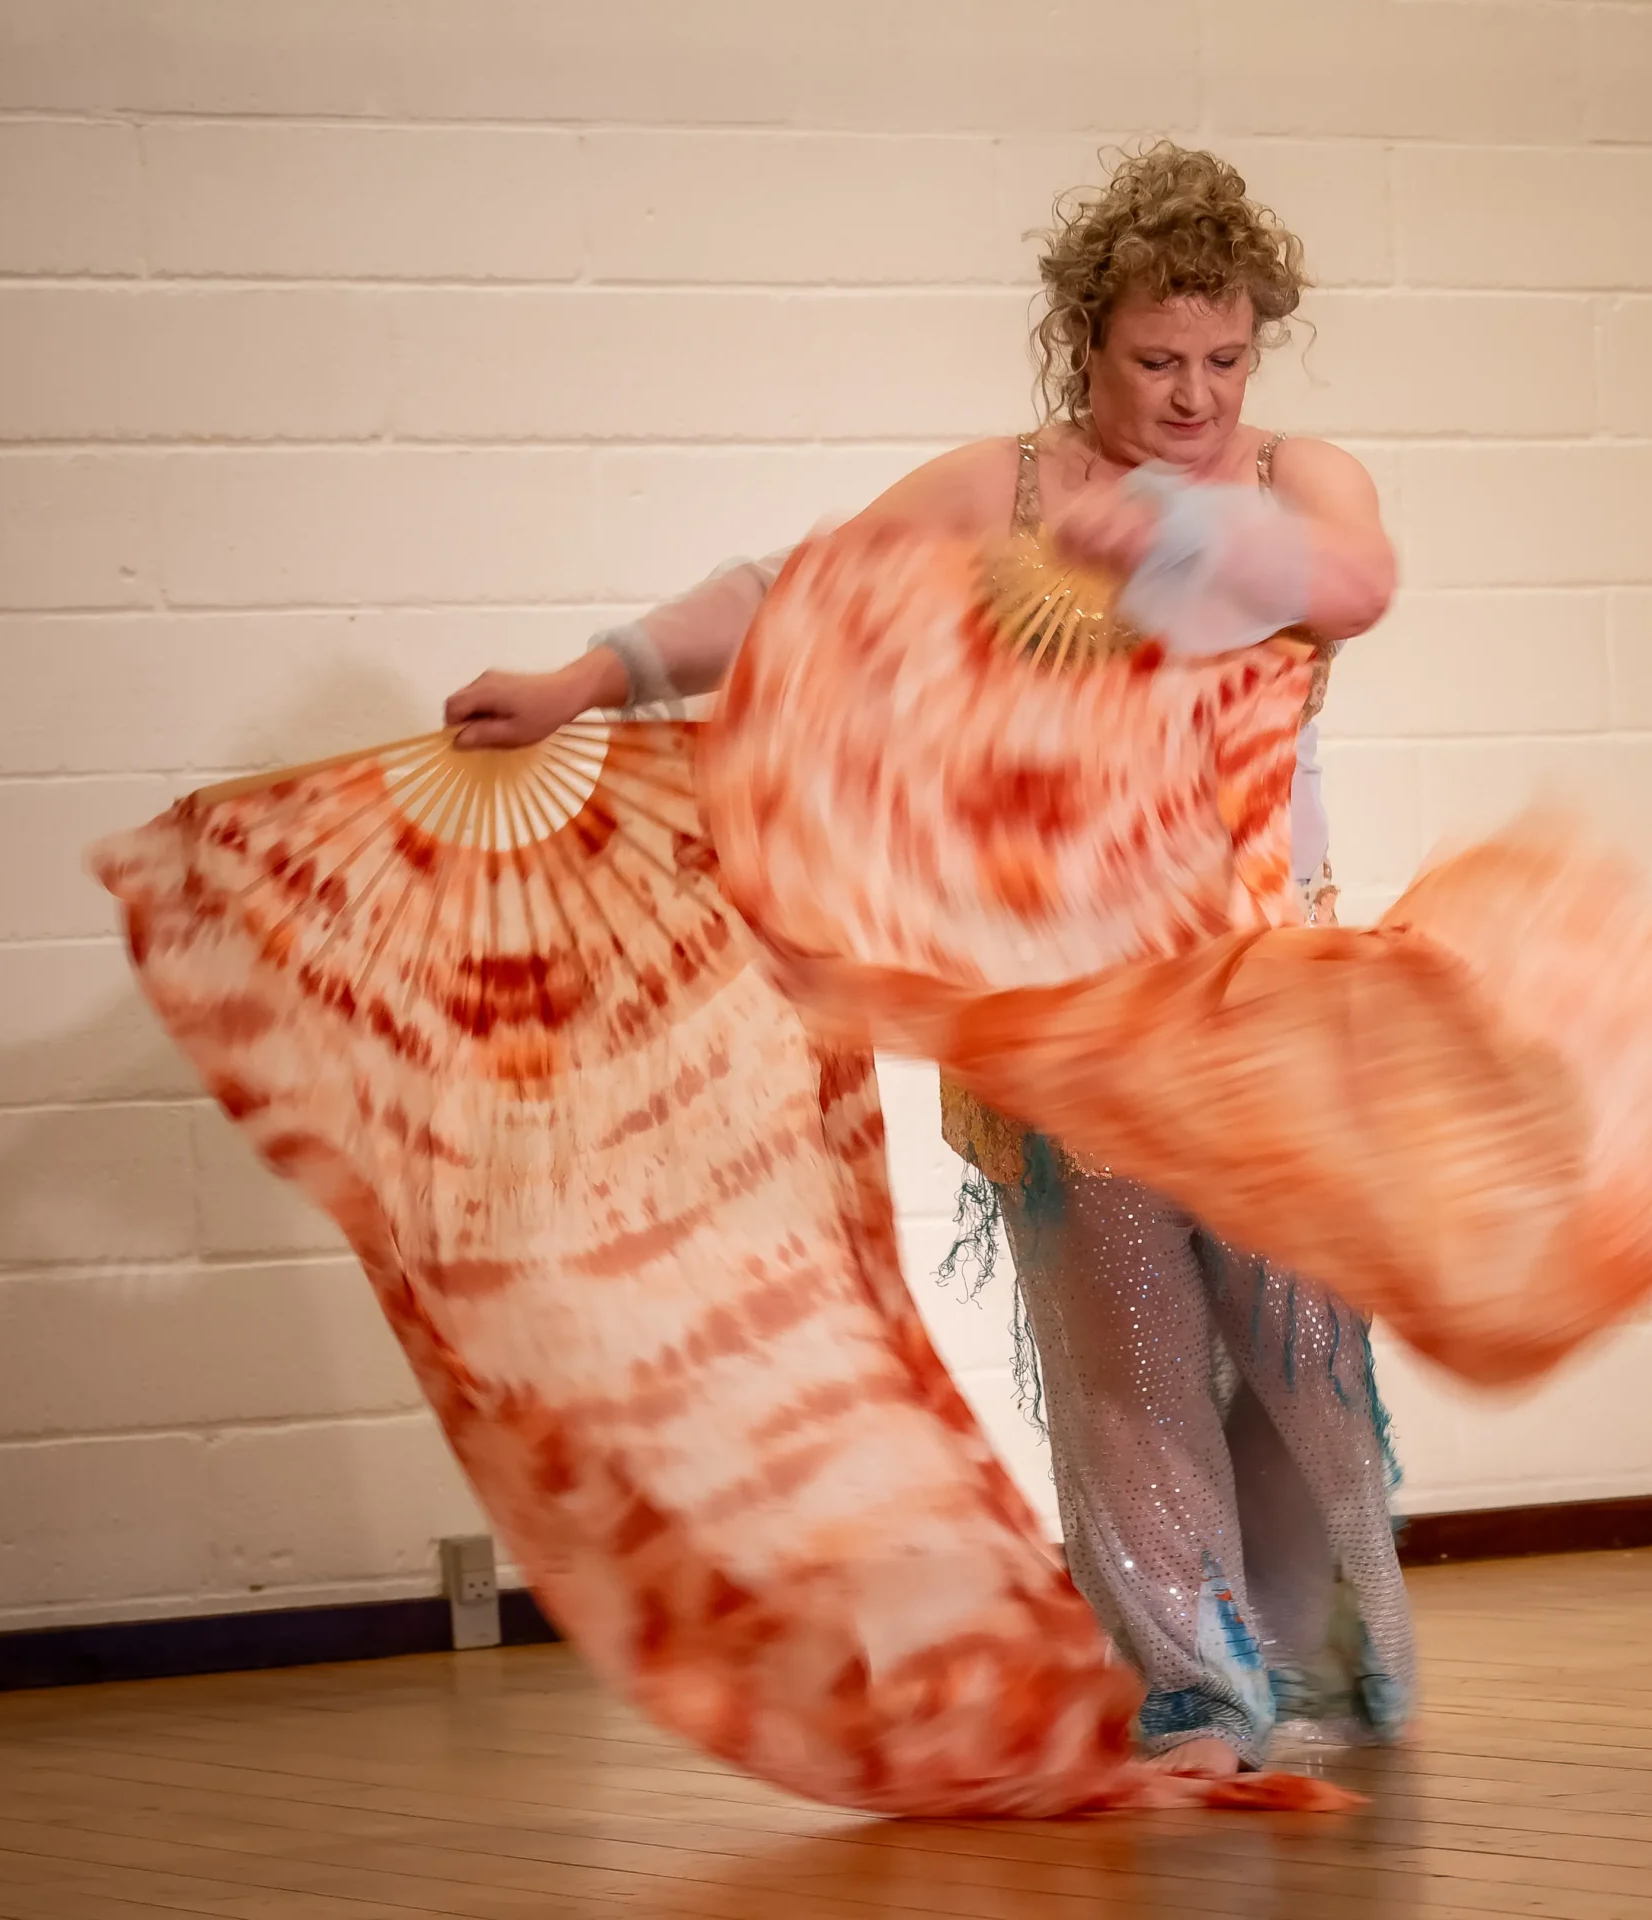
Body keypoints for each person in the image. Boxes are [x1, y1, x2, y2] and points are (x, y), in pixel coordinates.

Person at [445, 143, 1412, 1779]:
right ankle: (1196, 1688)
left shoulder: (1297, 480)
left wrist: (1163, 533)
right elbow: (792, 596)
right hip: (1064, 1005)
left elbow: (1356, 586)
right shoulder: (1007, 492)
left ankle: (1326, 1660)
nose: (1194, 394)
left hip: (1267, 1001)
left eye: (1224, 358)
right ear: (1084, 344)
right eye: (1156, 360)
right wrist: (588, 679)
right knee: (1126, 1362)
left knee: (1303, 1349)